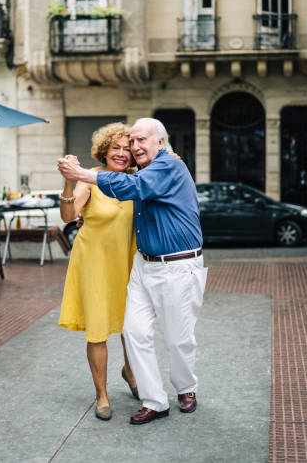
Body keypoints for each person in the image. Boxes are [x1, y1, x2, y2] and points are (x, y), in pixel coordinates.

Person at [58, 117, 207, 426]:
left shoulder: (165, 168)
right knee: (135, 331)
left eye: (139, 142)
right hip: (141, 264)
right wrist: (81, 190)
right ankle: (154, 401)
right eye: (128, 142)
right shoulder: (139, 171)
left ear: (161, 144)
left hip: (178, 264)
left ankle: (186, 388)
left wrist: (82, 173)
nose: (133, 148)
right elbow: (81, 211)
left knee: (178, 339)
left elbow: (134, 187)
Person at [58, 122, 138, 421]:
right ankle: (101, 394)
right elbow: (69, 215)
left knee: (133, 326)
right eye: (115, 148)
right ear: (104, 151)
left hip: (128, 262)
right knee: (99, 329)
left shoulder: (136, 180)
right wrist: (69, 180)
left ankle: (130, 369)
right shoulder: (89, 180)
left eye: (127, 149)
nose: (121, 153)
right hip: (94, 263)